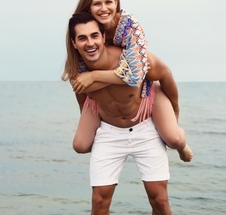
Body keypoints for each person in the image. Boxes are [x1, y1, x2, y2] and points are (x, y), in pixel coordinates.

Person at [61, 0, 193, 162]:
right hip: (113, 78)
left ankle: (182, 145)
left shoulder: (129, 27)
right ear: (88, 7)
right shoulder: (86, 30)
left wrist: (175, 110)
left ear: (116, 2)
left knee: (174, 138)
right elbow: (82, 87)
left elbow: (136, 75)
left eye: (108, 2)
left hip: (138, 72)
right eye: (96, 4)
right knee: (81, 145)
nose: (103, 8)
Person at [65, 12, 172, 214]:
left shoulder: (129, 60)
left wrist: (174, 110)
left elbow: (165, 74)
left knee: (159, 199)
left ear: (103, 37)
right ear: (74, 43)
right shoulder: (76, 73)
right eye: (82, 38)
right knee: (99, 201)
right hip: (109, 133)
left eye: (94, 36)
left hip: (144, 128)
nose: (90, 43)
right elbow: (85, 101)